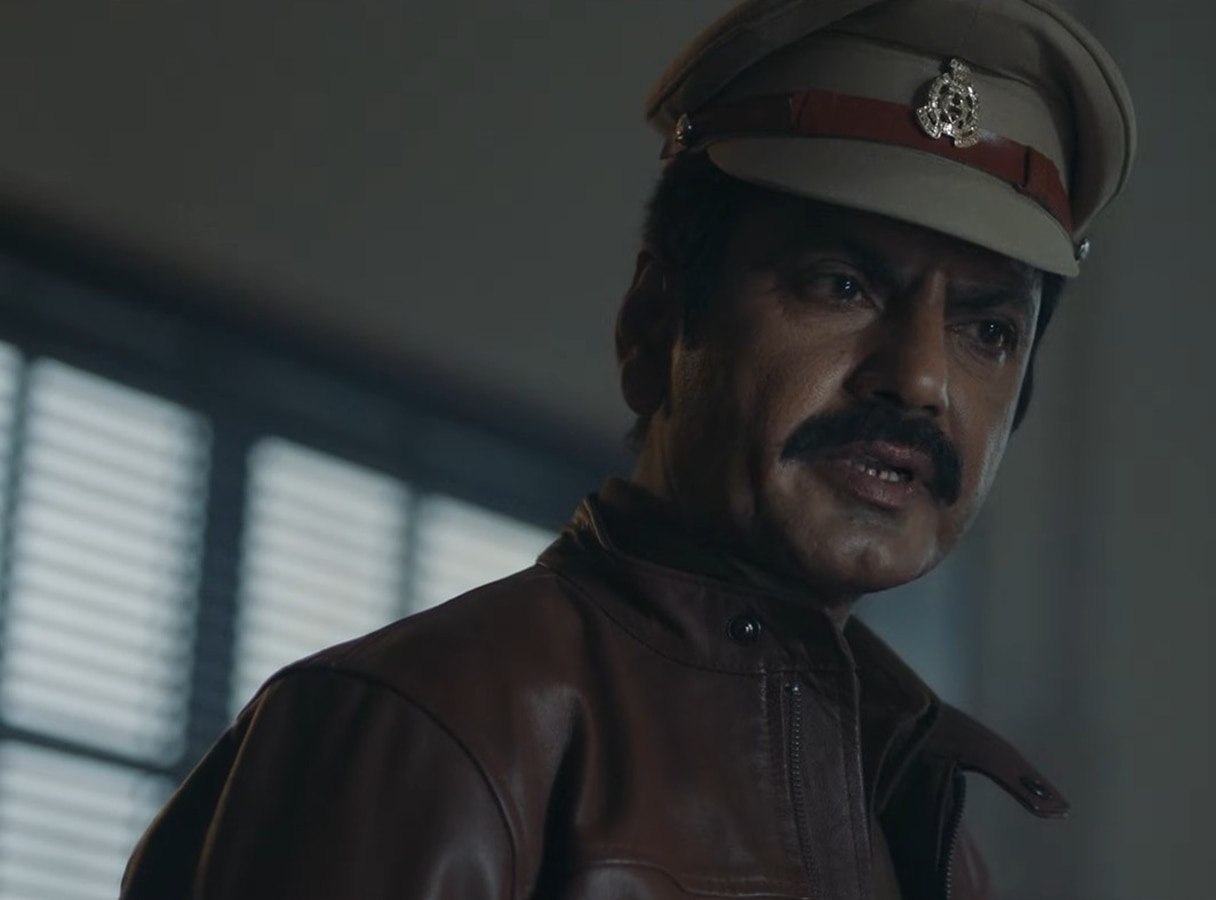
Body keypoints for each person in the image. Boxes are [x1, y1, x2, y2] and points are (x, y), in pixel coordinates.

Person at [120, 0, 1136, 897]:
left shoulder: (923, 826)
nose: (918, 378)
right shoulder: (424, 728)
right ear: (653, 325)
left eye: (987, 330)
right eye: (841, 284)